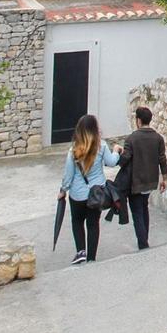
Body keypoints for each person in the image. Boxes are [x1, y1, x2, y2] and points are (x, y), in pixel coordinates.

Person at [59, 113, 119, 264]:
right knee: (93, 224)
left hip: (77, 194)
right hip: (96, 193)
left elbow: (68, 174)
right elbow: (111, 163)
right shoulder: (102, 146)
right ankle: (91, 257)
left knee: (77, 222)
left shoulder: (73, 150)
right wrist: (117, 151)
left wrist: (63, 190)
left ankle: (81, 251)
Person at [121, 105, 167, 251]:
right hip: (151, 181)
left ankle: (143, 243)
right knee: (144, 208)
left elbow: (124, 160)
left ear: (138, 120)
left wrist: (118, 152)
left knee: (137, 212)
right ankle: (145, 238)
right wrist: (165, 179)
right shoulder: (158, 138)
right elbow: (162, 159)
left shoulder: (131, 139)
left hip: (136, 182)